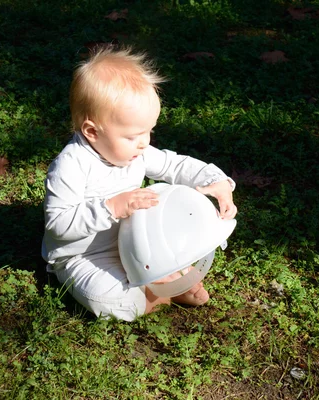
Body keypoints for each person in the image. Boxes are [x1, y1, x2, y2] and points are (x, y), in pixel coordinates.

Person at [41, 47, 237, 321]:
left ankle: (163, 278)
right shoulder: (70, 166)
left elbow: (174, 164)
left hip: (134, 241)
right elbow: (58, 225)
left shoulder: (136, 151)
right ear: (92, 132)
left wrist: (214, 180)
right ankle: (155, 293)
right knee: (109, 297)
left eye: (149, 131)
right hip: (84, 255)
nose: (144, 142)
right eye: (134, 135)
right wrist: (111, 208)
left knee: (171, 236)